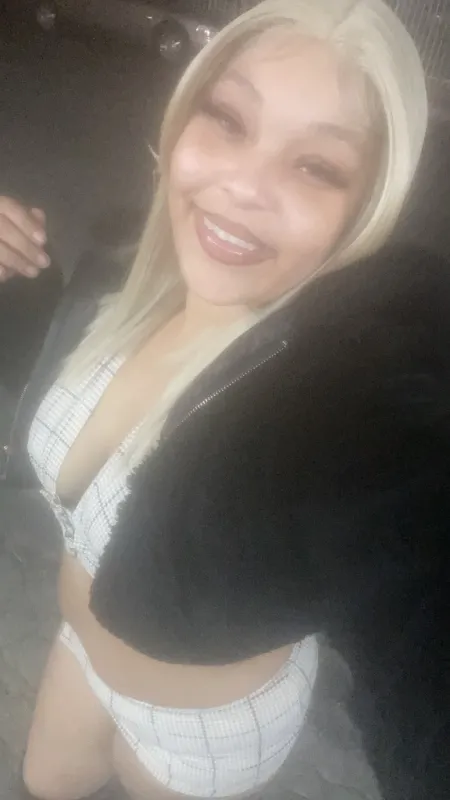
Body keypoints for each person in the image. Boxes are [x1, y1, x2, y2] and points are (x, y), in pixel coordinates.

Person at [2, 0, 449, 798]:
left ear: (365, 207)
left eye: (317, 167)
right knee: (42, 782)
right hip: (80, 646)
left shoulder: (335, 399)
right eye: (230, 120)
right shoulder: (117, 270)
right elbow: (37, 386)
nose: (243, 185)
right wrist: (16, 279)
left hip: (202, 732)